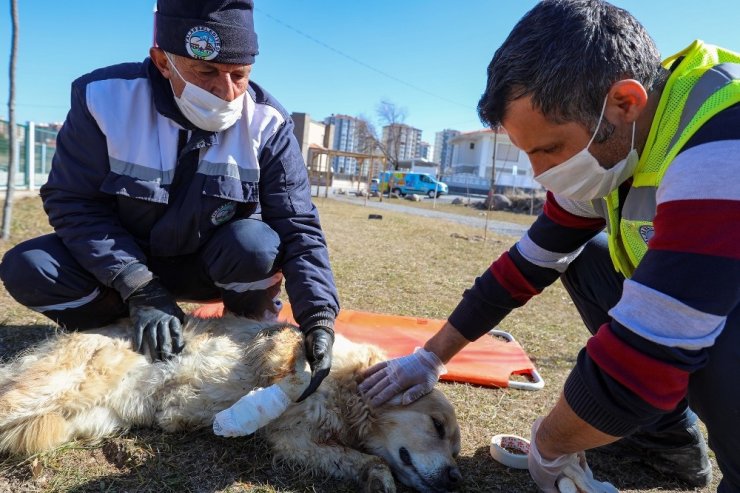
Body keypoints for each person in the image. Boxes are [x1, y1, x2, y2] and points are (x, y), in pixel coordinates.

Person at [359, 0, 740, 491]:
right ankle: (666, 445)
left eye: (551, 149)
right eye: (528, 153)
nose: (541, 174)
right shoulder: (621, 145)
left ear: (625, 103)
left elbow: (650, 354)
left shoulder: (722, 139)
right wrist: (431, 356)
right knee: (588, 257)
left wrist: (551, 441)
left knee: (718, 334)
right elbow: (523, 268)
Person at [0, 0, 338, 401]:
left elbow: (297, 226)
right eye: (206, 72)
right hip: (120, 268)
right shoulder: (104, 99)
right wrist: (140, 288)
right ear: (163, 61)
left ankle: (246, 329)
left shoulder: (268, 124)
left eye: (239, 75)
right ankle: (125, 323)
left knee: (257, 244)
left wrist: (318, 317)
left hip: (208, 267)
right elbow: (74, 202)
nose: (226, 91)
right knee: (29, 267)